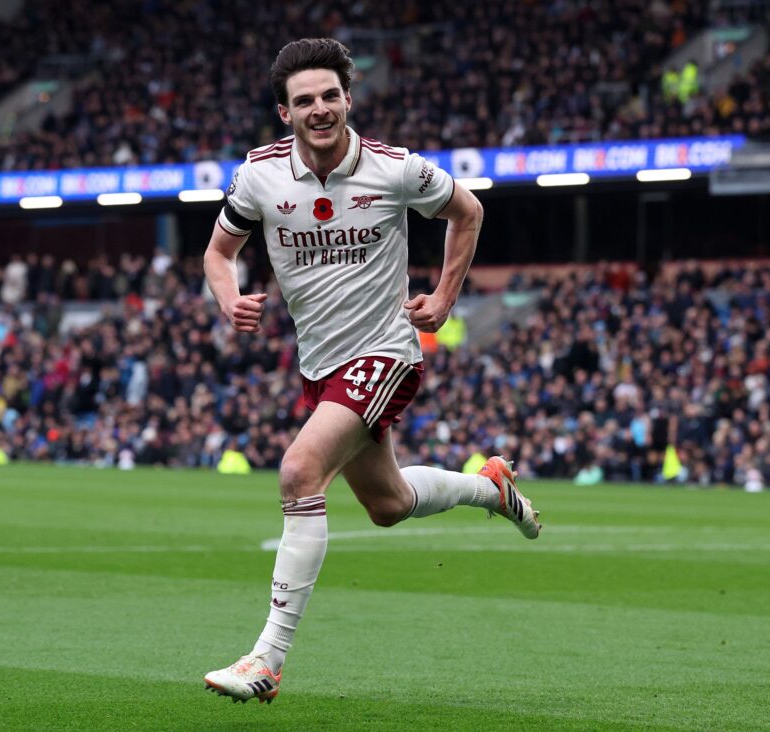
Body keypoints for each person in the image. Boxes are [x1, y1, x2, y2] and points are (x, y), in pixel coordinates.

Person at [202, 38, 541, 705]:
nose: (320, 109)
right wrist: (227, 297)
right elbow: (219, 252)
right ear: (285, 113)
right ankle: (490, 488)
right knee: (387, 506)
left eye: (330, 95)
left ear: (349, 99)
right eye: (305, 100)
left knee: (300, 472)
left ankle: (267, 659)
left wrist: (444, 298)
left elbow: (468, 211)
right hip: (321, 365)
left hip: (386, 352)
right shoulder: (259, 176)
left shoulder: (394, 168)